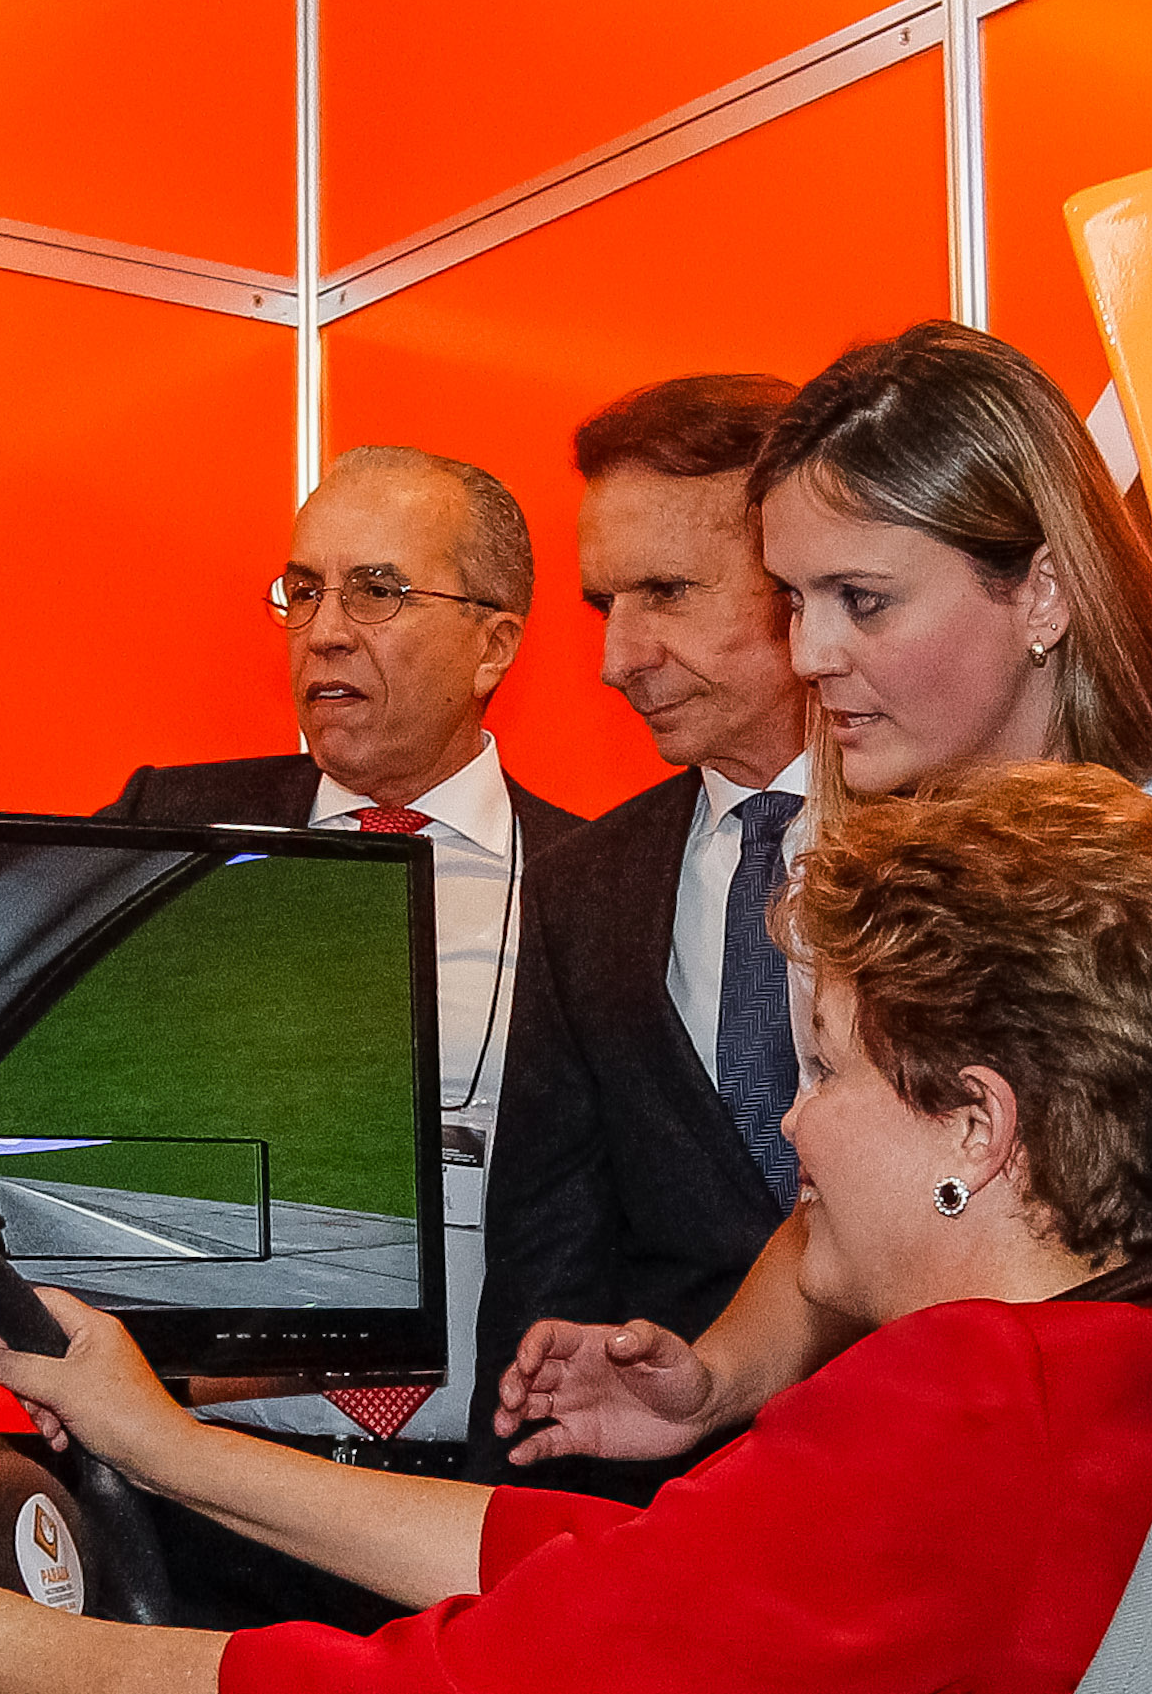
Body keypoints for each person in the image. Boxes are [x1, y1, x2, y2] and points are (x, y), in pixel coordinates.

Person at [0, 763, 1152, 1694]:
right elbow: (614, 1580)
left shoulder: (970, 1404)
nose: (794, 1126)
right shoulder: (1149, 1368)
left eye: (823, 1067)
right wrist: (165, 1444)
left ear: (976, 1123)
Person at [492, 320, 1152, 1479]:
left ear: (1040, 588)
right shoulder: (867, 858)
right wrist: (714, 1383)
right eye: (792, 599)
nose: (811, 650)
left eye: (860, 600)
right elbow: (866, 1176)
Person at [98, 445, 583, 1463]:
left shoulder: (598, 880)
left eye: (375, 592)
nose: (322, 632)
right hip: (196, 1480)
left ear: (492, 647)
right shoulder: (167, 833)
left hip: (466, 1508)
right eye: (303, 591)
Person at [467, 376, 810, 1490]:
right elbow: (546, 1264)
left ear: (806, 571)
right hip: (667, 1520)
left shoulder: (992, 847)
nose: (617, 660)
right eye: (602, 605)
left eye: (664, 590)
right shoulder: (582, 885)